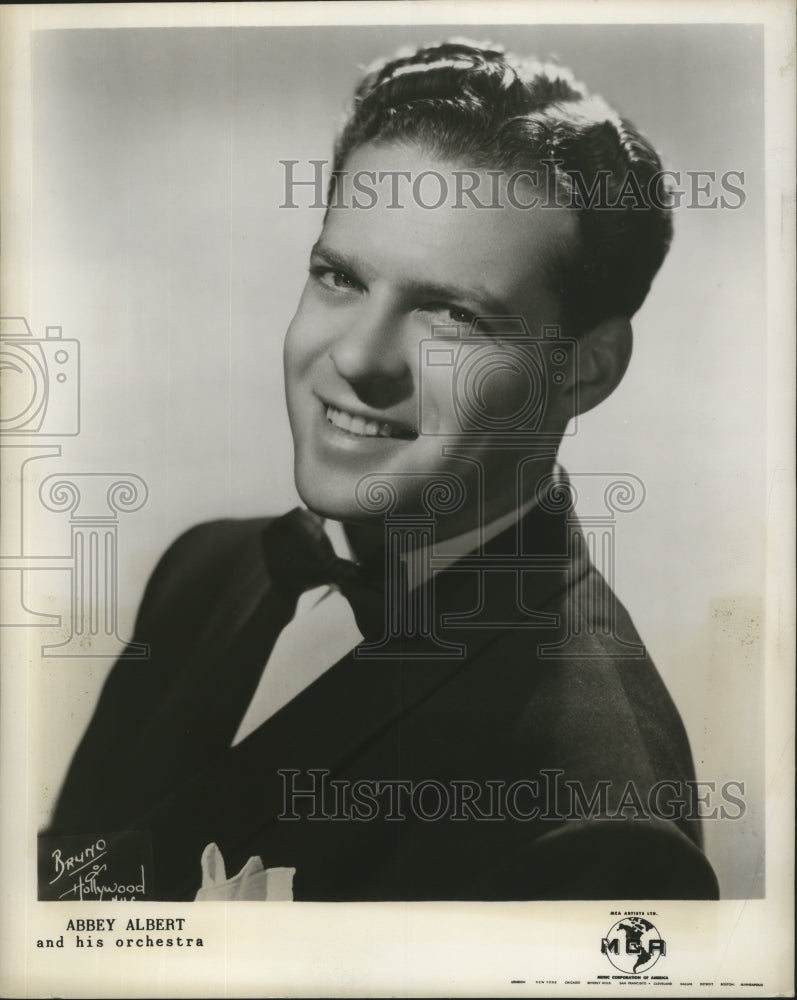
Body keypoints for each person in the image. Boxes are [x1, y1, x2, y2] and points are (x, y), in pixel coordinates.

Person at [45, 40, 719, 901]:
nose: (358, 359)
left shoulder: (597, 824)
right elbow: (65, 899)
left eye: (452, 313)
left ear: (584, 370)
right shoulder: (205, 571)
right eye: (339, 277)